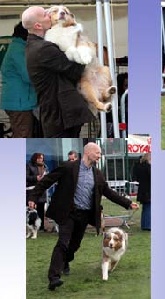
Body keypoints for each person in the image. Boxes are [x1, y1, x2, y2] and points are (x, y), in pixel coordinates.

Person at [27, 142, 139, 291]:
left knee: (74, 246)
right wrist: (33, 197)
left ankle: (65, 262)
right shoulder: (68, 167)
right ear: (88, 152)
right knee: (63, 242)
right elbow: (47, 181)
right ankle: (53, 277)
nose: (100, 156)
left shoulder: (97, 174)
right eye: (98, 153)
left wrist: (127, 203)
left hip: (85, 215)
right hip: (68, 213)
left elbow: (108, 192)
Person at [21, 6, 94, 137]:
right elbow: (75, 70)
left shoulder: (34, 45)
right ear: (38, 25)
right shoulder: (44, 48)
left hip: (56, 113)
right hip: (60, 114)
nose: (49, 15)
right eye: (45, 15)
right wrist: (83, 50)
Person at [0, 21, 38, 137]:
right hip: (20, 103)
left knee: (21, 135)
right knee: (22, 136)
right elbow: (28, 75)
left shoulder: (17, 47)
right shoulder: (19, 50)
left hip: (19, 101)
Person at [26, 152, 49, 231]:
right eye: (39, 158)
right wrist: (36, 178)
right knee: (31, 210)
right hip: (32, 190)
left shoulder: (45, 166)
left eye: (42, 158)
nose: (40, 160)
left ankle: (41, 227)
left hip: (42, 191)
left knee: (41, 210)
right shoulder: (29, 165)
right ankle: (31, 226)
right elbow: (26, 177)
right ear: (35, 158)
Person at [135, 153, 151, 231]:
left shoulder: (139, 167)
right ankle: (148, 225)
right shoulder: (148, 167)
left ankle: (144, 225)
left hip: (142, 190)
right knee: (149, 207)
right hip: (148, 191)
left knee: (145, 208)